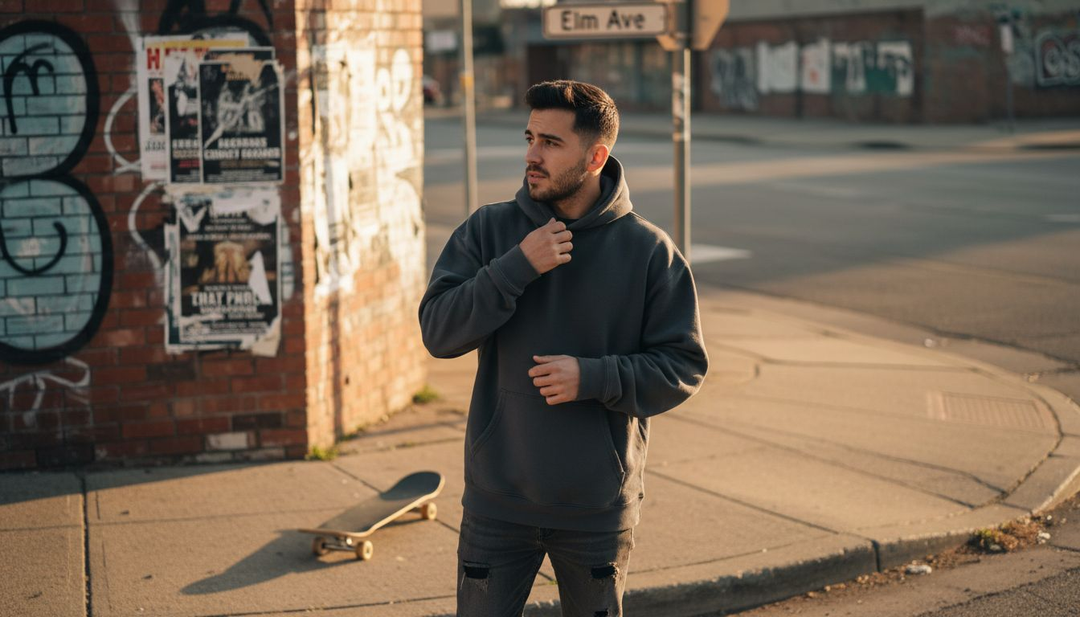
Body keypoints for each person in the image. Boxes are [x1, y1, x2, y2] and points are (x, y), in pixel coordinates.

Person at [419, 80, 708, 616]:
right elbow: (438, 332)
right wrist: (514, 268)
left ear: (596, 156)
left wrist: (594, 377)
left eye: (551, 143)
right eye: (530, 138)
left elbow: (683, 366)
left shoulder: (649, 252)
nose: (532, 155)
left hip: (596, 509)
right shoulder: (490, 231)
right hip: (497, 503)